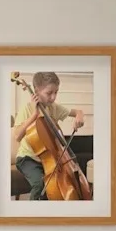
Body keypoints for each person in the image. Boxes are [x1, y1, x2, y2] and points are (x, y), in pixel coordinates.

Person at [11, 71, 85, 200]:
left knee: (57, 184)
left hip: (48, 158)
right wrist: (34, 115)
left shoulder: (53, 108)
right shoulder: (27, 109)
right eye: (49, 93)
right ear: (36, 91)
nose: (53, 97)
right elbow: (17, 136)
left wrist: (80, 116)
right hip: (28, 158)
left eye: (56, 92)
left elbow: (78, 112)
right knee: (40, 185)